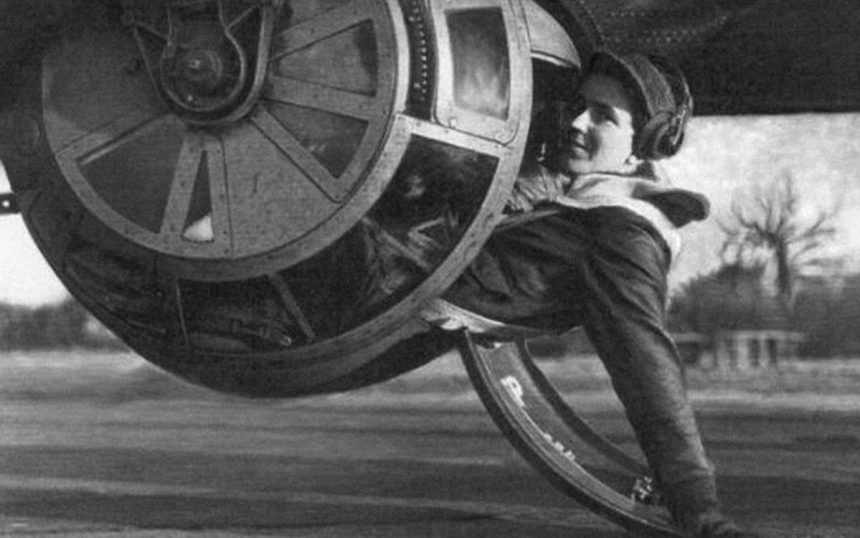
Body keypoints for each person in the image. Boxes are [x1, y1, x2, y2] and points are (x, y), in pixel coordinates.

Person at [423, 50, 760, 538]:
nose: (577, 123)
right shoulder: (579, 195)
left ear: (641, 148)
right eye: (580, 107)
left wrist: (696, 505)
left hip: (385, 285)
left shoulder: (621, 232)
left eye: (603, 116)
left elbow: (645, 363)